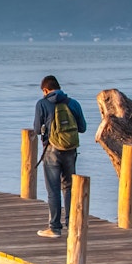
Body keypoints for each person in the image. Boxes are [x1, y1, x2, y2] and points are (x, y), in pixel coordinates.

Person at [32, 75, 86, 238]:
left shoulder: (42, 103)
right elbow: (82, 128)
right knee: (69, 187)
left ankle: (55, 228)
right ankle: (71, 225)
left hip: (51, 150)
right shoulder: (73, 103)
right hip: (70, 150)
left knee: (53, 189)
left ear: (45, 90)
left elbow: (35, 129)